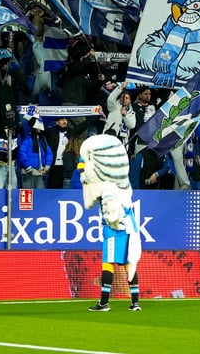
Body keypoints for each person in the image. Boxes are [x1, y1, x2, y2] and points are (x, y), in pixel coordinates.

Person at [80, 134, 142, 312]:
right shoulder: (123, 184)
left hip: (115, 229)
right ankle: (135, 303)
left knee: (108, 263)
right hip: (130, 227)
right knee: (128, 263)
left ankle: (104, 302)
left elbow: (112, 213)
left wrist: (112, 222)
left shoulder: (107, 187)